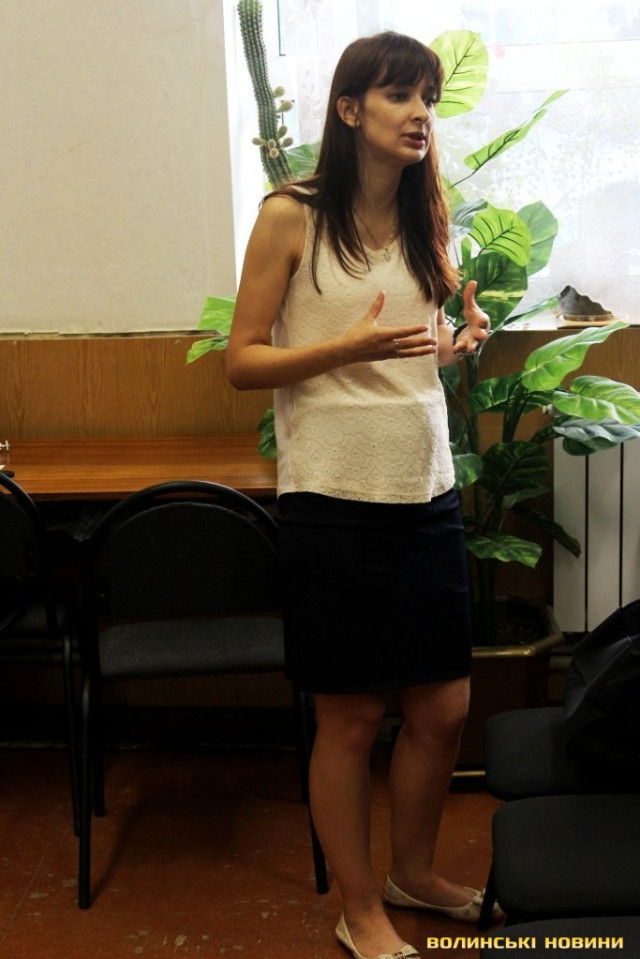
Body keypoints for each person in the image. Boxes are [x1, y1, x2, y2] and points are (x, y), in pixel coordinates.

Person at [227, 30, 497, 959]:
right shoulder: (291, 216)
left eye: (428, 98)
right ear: (350, 110)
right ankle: (359, 906)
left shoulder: (428, 215)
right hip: (334, 499)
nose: (421, 114)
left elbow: (411, 353)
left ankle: (412, 873)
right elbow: (241, 361)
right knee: (348, 717)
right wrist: (343, 348)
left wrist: (456, 346)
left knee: (443, 706)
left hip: (424, 487)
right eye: (400, 96)